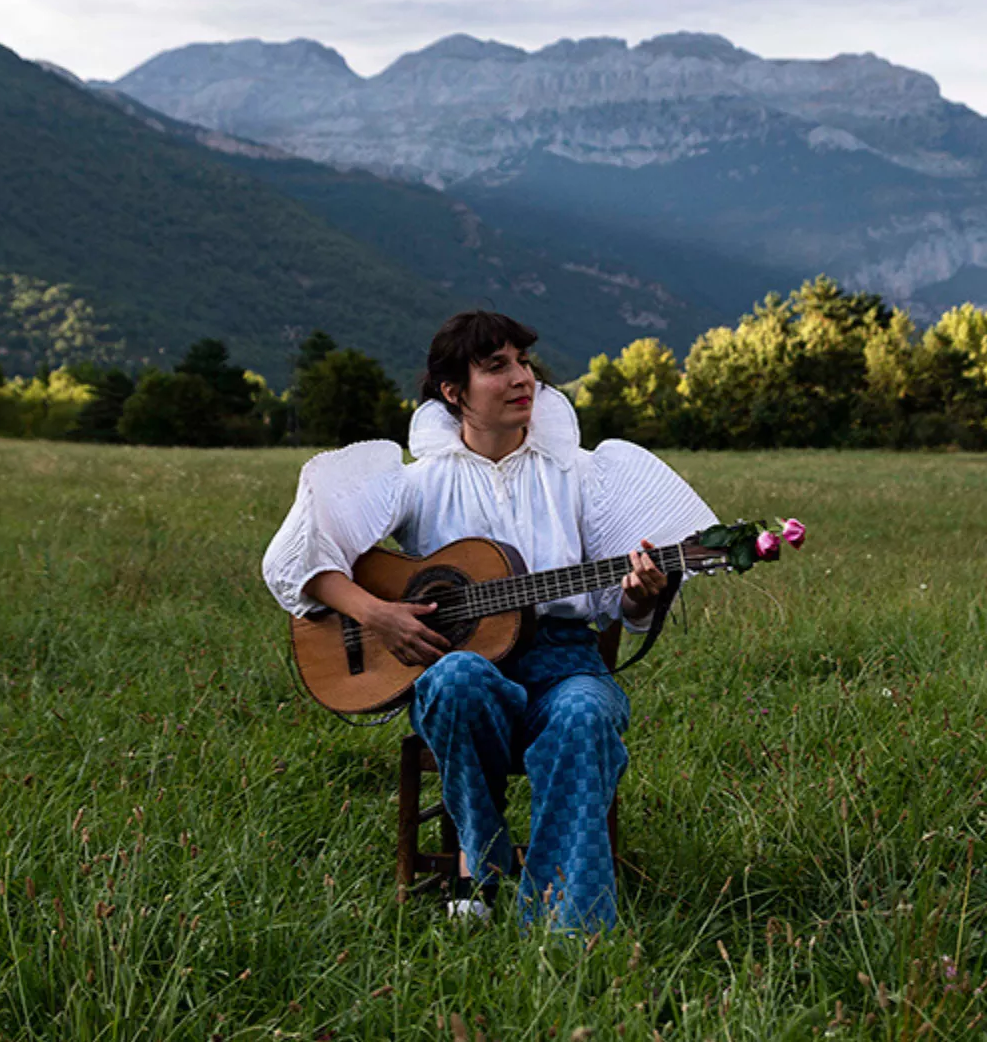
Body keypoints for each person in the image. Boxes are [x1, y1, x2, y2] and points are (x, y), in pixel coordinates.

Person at [262, 311, 718, 931]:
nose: (520, 378)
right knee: (455, 679)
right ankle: (481, 857)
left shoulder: (578, 475)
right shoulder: (418, 484)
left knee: (586, 711)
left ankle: (566, 921)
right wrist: (379, 614)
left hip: (565, 667)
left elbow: (624, 610)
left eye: (524, 363)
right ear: (454, 392)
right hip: (463, 674)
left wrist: (643, 589)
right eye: (496, 366)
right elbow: (299, 558)